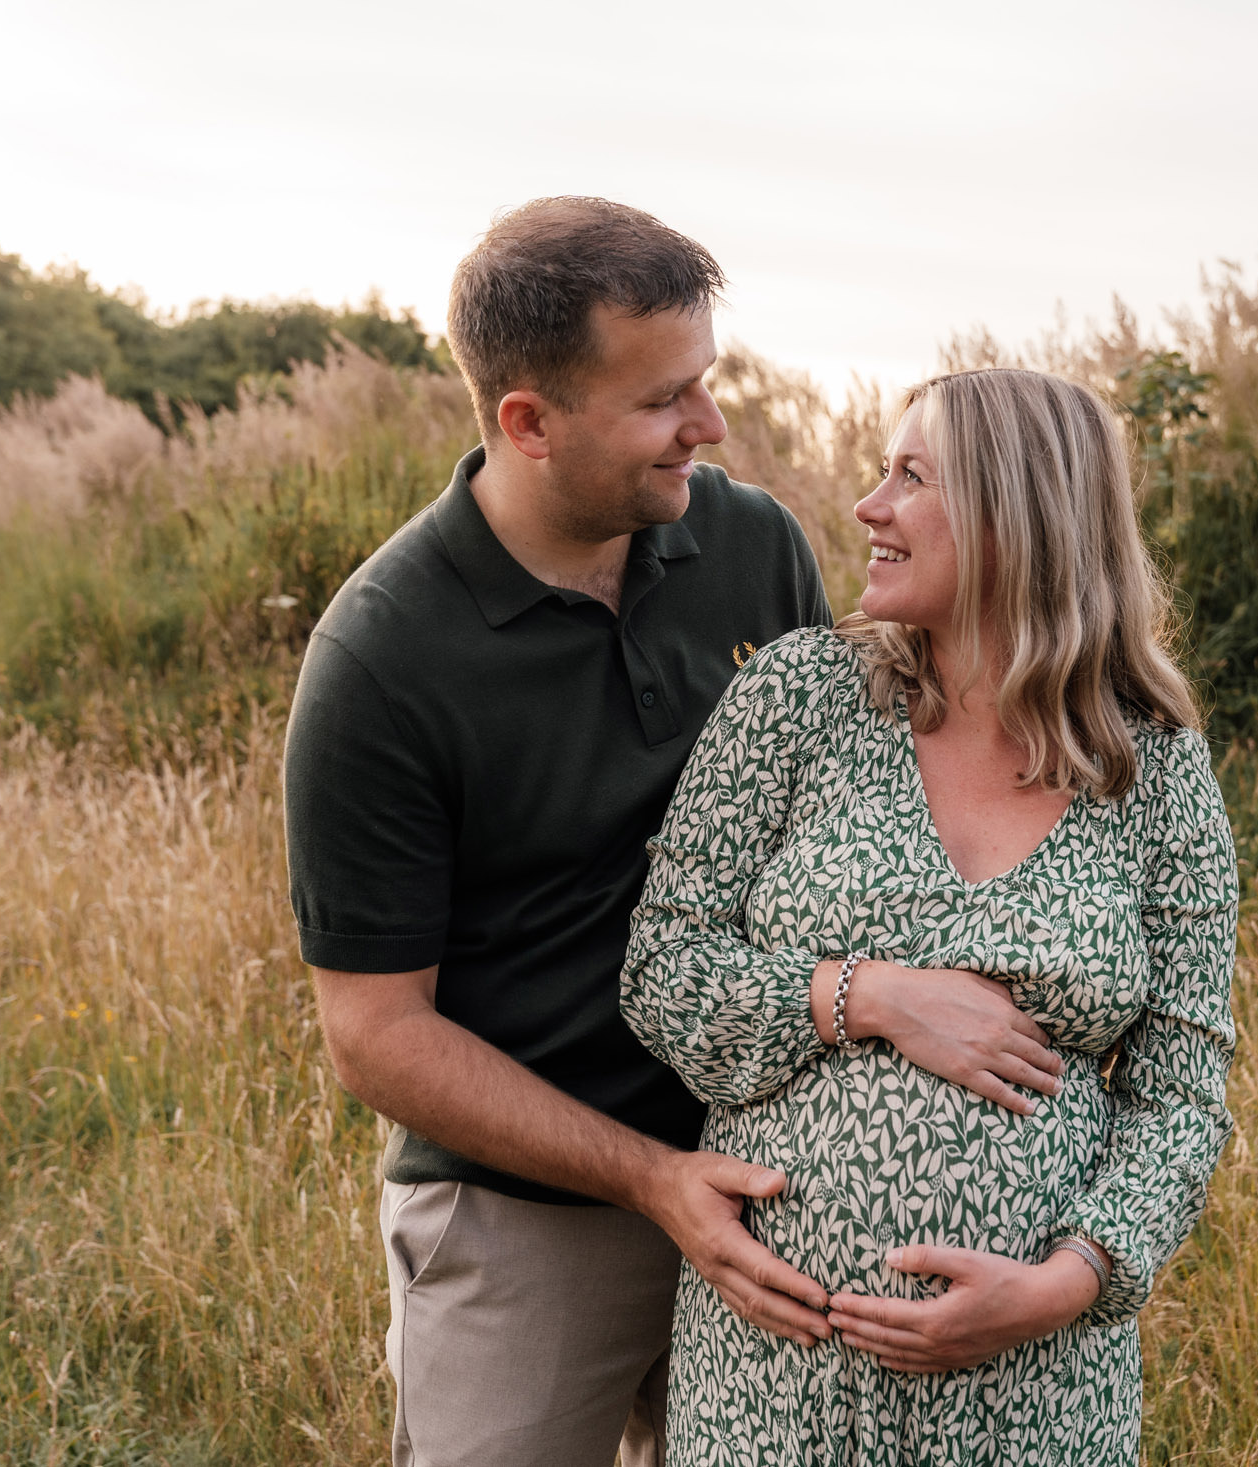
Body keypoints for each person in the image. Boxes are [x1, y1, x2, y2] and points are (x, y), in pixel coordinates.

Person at [283, 197, 836, 1467]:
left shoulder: (753, 547)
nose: (709, 426)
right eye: (662, 402)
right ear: (526, 423)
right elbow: (375, 1035)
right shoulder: (380, 658)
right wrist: (648, 1178)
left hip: (773, 1178)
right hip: (524, 1222)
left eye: (706, 383)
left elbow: (837, 835)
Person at [621, 367, 1239, 1464]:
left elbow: (1182, 1091)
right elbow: (664, 968)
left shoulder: (1152, 765)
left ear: (1018, 514)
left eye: (911, 477)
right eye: (880, 471)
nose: (870, 506)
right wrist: (866, 997)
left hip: (1033, 1389)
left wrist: (1063, 1285)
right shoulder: (799, 699)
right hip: (776, 1370)